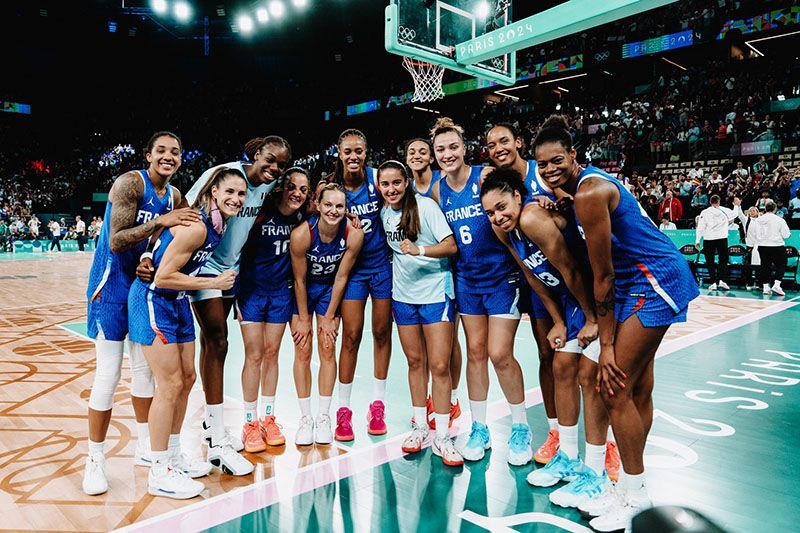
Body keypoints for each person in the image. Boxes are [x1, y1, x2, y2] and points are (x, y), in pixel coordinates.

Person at [532, 115, 699, 531]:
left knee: (614, 387)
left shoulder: (589, 192)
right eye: (543, 164)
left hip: (653, 279)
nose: (550, 169)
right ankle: (626, 485)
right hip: (642, 278)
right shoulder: (584, 189)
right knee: (636, 388)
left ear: (573, 155)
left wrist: (606, 344)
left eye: (557, 160)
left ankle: (635, 497)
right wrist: (565, 203)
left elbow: (603, 277)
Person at [481, 167, 615, 508]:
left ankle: (597, 469)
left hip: (594, 293)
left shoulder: (531, 218)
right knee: (561, 368)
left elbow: (572, 269)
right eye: (490, 213)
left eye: (501, 207)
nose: (497, 217)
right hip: (571, 299)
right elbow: (532, 275)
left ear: (517, 196)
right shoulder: (504, 231)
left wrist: (591, 318)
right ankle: (568, 457)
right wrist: (557, 321)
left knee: (589, 374)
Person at [83, 131, 202, 496]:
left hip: (141, 288)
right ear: (148, 155)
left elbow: (161, 242)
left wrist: (150, 257)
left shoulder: (175, 196)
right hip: (109, 287)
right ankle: (94, 459)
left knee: (144, 374)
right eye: (161, 150)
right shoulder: (130, 183)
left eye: (175, 152)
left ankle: (146, 448)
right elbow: (117, 239)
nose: (168, 156)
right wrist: (162, 221)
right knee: (108, 373)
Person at [128, 166, 247, 498]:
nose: (236, 199)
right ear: (213, 192)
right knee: (170, 384)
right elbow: (162, 277)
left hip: (177, 301)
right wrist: (214, 283)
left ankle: (173, 455)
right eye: (229, 192)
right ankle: (159, 469)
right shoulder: (197, 227)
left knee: (188, 379)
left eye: (241, 194)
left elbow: (162, 242)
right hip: (153, 300)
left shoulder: (217, 224)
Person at [183, 136, 291, 476]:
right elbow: (184, 207)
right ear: (256, 154)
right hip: (205, 264)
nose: (274, 168)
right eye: (270, 159)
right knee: (218, 340)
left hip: (232, 269)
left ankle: (210, 424)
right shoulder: (224, 174)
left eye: (281, 165)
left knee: (212, 344)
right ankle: (217, 438)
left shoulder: (266, 186)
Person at [430, 117, 533, 466]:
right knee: (475, 352)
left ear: (464, 148)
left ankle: (520, 427)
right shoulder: (438, 191)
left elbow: (518, 203)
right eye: (441, 149)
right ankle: (479, 427)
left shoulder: (485, 176)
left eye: (453, 147)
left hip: (502, 277)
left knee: (499, 354)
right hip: (467, 281)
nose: (447, 154)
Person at [486, 121, 576, 466]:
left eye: (504, 141)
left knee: (589, 364)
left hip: (573, 273)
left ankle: (606, 443)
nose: (498, 149)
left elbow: (576, 204)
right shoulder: (496, 191)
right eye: (491, 145)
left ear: (519, 142)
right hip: (537, 279)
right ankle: (555, 433)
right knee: (546, 354)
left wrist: (558, 206)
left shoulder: (545, 173)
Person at [376, 160, 462, 465]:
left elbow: (450, 246)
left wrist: (420, 250)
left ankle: (443, 435)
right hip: (403, 297)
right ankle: (420, 427)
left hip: (435, 294)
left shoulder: (426, 207)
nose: (391, 189)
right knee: (415, 362)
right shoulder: (384, 213)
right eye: (385, 184)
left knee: (439, 365)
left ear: (406, 182)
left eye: (396, 183)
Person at [236, 168, 310, 452]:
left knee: (271, 354)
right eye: (292, 186)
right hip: (252, 292)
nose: (296, 193)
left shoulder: (302, 219)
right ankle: (249, 422)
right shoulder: (261, 211)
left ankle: (268, 418)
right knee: (253, 355)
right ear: (281, 187)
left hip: (281, 293)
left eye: (303, 189)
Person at [289, 182, 363, 445]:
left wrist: (330, 316)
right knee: (303, 349)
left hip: (328, 290)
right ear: (318, 205)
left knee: (328, 348)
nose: (333, 210)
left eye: (339, 206)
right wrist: (303, 319)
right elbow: (299, 280)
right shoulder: (302, 234)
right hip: (304, 291)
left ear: (346, 208)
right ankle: (305, 418)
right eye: (328, 204)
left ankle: (323, 416)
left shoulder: (353, 234)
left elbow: (341, 277)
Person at [331, 129, 393, 441]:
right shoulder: (332, 187)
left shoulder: (378, 180)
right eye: (348, 151)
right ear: (339, 153)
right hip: (352, 270)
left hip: (381, 267)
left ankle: (377, 405)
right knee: (351, 336)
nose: (353, 156)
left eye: (358, 151)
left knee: (381, 333)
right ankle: (343, 411)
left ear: (366, 152)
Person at [405, 137, 463, 428]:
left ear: (431, 158)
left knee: (449, 342)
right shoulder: (405, 189)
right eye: (411, 152)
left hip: (450, 269)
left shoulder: (440, 186)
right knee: (425, 350)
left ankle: (451, 399)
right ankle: (431, 399)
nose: (417, 155)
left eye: (422, 152)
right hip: (421, 275)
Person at [695, 194, 736, 291]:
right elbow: (735, 214)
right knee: (723, 260)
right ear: (719, 201)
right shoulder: (724, 210)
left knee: (710, 261)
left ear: (710, 202)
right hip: (721, 238)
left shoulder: (704, 212)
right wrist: (736, 206)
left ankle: (713, 283)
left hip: (709, 239)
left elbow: (701, 227)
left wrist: (697, 240)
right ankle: (722, 281)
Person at [753, 200, 791, 296]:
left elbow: (755, 233)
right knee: (782, 264)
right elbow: (786, 235)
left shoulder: (758, 220)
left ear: (765, 209)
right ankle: (777, 285)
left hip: (762, 246)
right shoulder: (779, 220)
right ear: (775, 209)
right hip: (776, 246)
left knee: (765, 266)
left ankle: (766, 288)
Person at [733, 198, 761, 290]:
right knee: (748, 266)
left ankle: (759, 283)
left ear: (757, 212)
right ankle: (749, 283)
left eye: (754, 210)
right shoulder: (746, 220)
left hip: (760, 246)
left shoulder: (762, 221)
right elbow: (740, 215)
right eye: (750, 211)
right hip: (750, 246)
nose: (752, 212)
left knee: (759, 266)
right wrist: (738, 206)